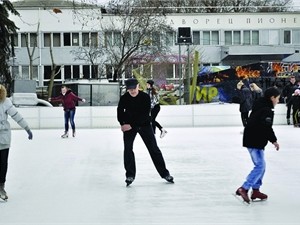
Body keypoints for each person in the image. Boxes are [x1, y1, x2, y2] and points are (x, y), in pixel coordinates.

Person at [117, 78, 174, 186]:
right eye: (130, 89)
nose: (132, 91)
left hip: (144, 125)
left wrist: (130, 125)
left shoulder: (145, 97)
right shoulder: (124, 98)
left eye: (134, 88)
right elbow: (119, 111)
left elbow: (144, 115)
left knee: (154, 149)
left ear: (138, 86)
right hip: (129, 127)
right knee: (128, 149)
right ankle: (130, 175)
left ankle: (165, 173)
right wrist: (122, 124)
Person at [235, 87, 280, 204]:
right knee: (260, 166)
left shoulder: (260, 105)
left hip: (252, 138)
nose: (278, 101)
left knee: (261, 166)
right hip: (254, 140)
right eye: (277, 99)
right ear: (272, 98)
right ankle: (244, 188)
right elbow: (267, 127)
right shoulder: (266, 110)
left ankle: (255, 190)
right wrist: (274, 140)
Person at [0, 84, 33, 201]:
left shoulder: (5, 102)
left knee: (3, 164)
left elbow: (17, 116)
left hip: (3, 138)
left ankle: (1, 186)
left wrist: (27, 128)